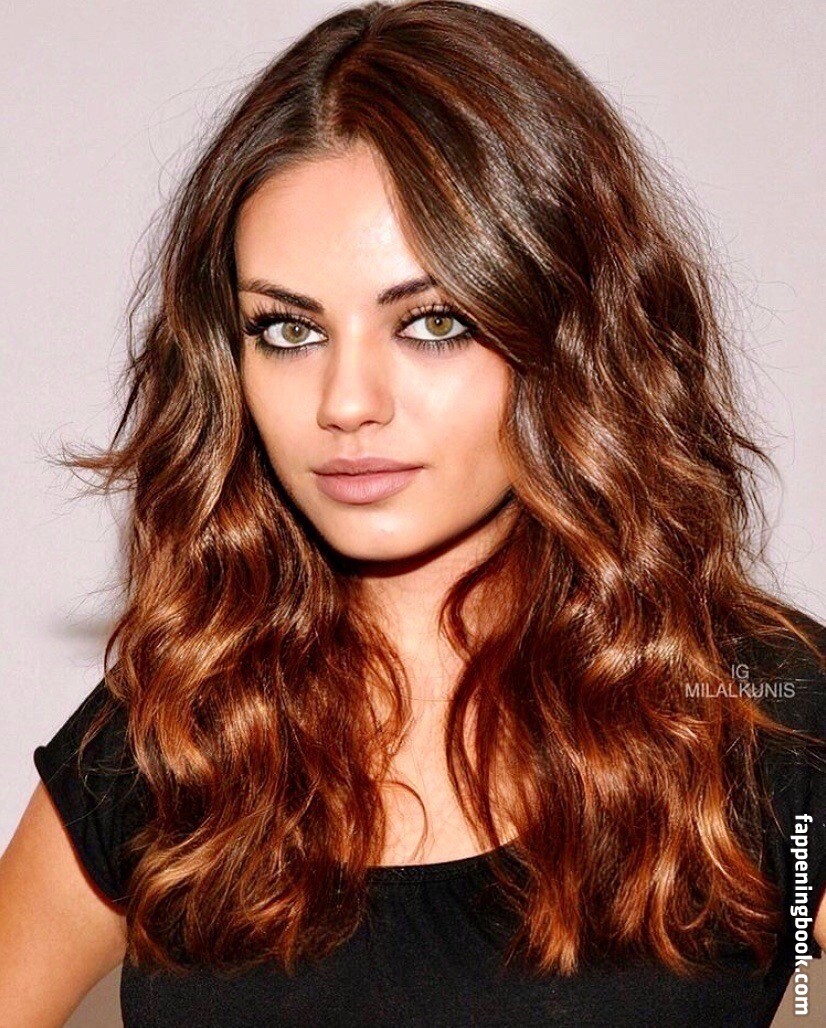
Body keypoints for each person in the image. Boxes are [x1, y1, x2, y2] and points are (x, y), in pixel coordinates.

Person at [1, 1, 824, 1025]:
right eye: (287, 329)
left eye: (432, 322)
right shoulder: (181, 730)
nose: (347, 402)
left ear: (568, 330)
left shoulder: (761, 711)